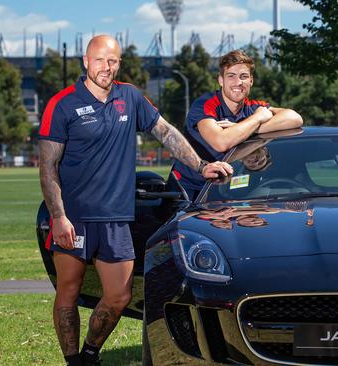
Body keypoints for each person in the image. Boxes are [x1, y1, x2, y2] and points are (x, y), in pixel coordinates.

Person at [38, 35, 233, 366]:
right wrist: (58, 216)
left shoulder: (129, 97)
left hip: (116, 218)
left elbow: (166, 133)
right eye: (100, 60)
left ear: (119, 64)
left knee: (119, 296)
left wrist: (201, 165)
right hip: (75, 217)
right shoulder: (63, 103)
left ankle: (90, 352)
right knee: (68, 293)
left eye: (113, 61)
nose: (106, 67)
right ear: (86, 61)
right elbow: (47, 167)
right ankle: (74, 361)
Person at [172, 49, 303, 200]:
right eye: (231, 76)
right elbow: (221, 142)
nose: (238, 82)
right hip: (186, 189)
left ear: (251, 81)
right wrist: (257, 119)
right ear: (221, 80)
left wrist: (246, 128)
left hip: (221, 190)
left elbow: (295, 118)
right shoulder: (206, 104)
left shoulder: (252, 107)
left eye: (244, 76)